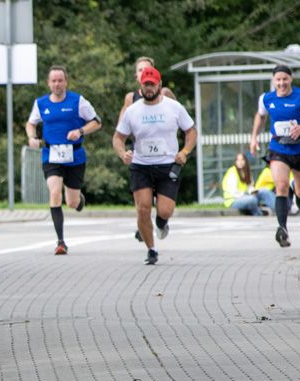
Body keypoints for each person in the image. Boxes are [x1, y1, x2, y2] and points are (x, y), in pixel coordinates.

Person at [113, 65, 197, 265]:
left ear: (159, 85)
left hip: (167, 165)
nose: (148, 88)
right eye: (145, 85)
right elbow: (118, 137)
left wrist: (184, 152)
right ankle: (151, 249)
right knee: (143, 208)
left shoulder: (173, 107)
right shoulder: (132, 110)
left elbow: (191, 132)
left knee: (165, 210)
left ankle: (162, 222)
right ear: (140, 86)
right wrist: (122, 153)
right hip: (141, 165)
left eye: (152, 85)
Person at [26, 65, 102, 255]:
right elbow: (31, 123)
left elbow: (96, 122)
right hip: (51, 155)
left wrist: (80, 131)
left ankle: (78, 200)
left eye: (60, 80)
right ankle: (60, 241)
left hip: (74, 156)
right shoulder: (41, 103)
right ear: (48, 83)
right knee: (54, 193)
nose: (57, 84)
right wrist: (32, 137)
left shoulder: (78, 101)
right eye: (53, 81)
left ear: (66, 82)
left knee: (72, 203)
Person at [249, 64, 300, 247]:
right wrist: (254, 138)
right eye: (278, 79)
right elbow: (261, 116)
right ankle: (282, 229)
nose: (281, 83)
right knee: (280, 185)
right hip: (278, 149)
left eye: (285, 79)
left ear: (291, 79)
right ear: (274, 81)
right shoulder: (267, 98)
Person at [118, 56, 177, 243]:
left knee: (163, 205)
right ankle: (143, 226)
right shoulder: (131, 98)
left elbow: (177, 114)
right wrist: (123, 150)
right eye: (140, 70)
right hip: (141, 155)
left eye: (147, 69)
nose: (144, 73)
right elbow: (121, 127)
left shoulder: (165, 93)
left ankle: (160, 220)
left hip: (164, 156)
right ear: (136, 76)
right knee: (143, 202)